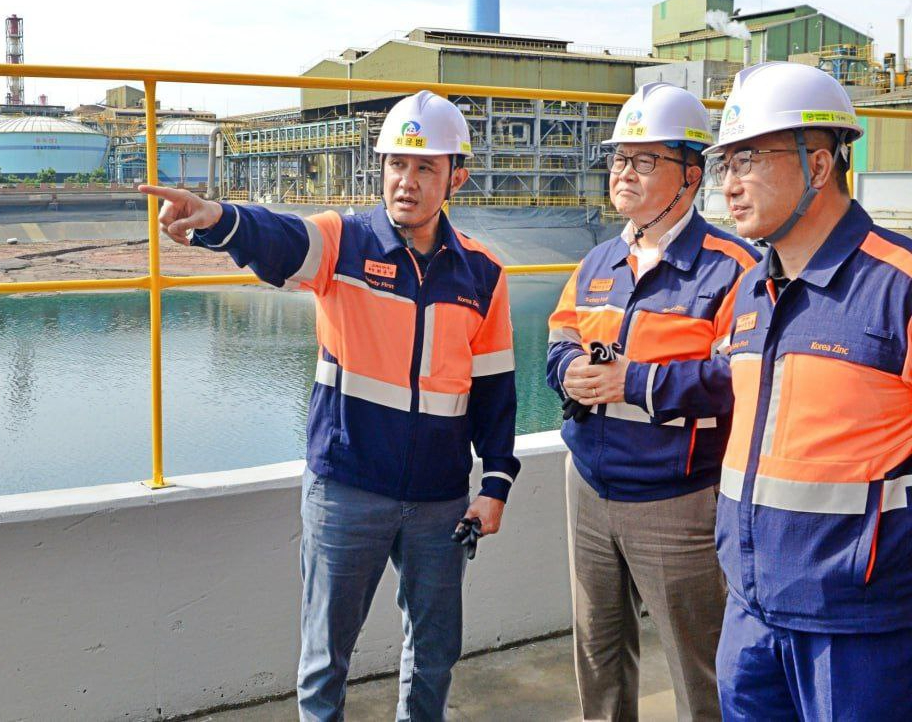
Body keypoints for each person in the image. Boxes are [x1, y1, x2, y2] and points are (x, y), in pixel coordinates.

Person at [140, 90, 519, 722]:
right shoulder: (344, 242)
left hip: (440, 499)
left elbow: (494, 390)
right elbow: (282, 241)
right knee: (324, 664)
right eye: (397, 164)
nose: (407, 181)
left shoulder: (482, 274)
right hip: (347, 489)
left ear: (458, 175)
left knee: (434, 655)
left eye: (426, 167)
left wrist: (497, 484)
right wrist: (217, 219)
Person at [698, 62, 912, 720]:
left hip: (859, 633)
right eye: (723, 165)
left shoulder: (897, 286)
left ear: (818, 167)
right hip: (750, 613)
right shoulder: (750, 292)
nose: (730, 186)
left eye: (749, 161)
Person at [547, 81, 757, 722]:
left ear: (692, 175)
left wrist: (633, 382)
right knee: (598, 656)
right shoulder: (599, 262)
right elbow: (559, 333)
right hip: (589, 489)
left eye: (644, 160)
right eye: (619, 159)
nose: (624, 173)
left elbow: (737, 379)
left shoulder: (736, 269)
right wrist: (568, 371)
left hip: (679, 501)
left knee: (703, 672)